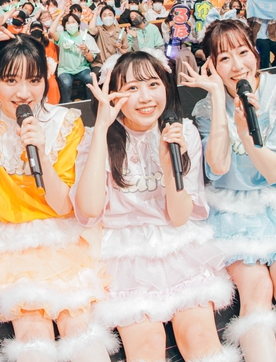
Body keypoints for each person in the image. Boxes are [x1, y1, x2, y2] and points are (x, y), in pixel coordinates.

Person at [0, 14, 116, 362]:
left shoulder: (65, 123)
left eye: (34, 80)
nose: (24, 92)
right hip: (7, 248)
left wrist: (40, 152)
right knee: (33, 336)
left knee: (81, 332)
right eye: (10, 80)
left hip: (62, 241)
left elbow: (63, 206)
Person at [75, 52, 238, 362]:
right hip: (123, 255)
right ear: (114, 94)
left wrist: (169, 167)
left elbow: (179, 217)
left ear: (166, 86)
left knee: (200, 338)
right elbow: (90, 209)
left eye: (153, 84)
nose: (146, 97)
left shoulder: (182, 132)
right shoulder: (97, 138)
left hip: (178, 246)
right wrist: (101, 129)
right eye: (132, 88)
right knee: (146, 347)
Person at [180, 19, 276, 362]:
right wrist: (218, 100)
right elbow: (217, 169)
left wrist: (246, 134)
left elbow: (275, 172)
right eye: (224, 58)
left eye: (243, 52)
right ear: (212, 65)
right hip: (231, 210)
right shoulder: (205, 109)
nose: (237, 65)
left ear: (256, 54)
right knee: (255, 288)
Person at [50, 12, 98, 104]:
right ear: (65, 26)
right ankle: (66, 104)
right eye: (68, 23)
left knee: (90, 78)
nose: (71, 24)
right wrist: (60, 14)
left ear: (78, 24)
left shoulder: (86, 37)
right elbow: (51, 31)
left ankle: (91, 103)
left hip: (82, 68)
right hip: (65, 70)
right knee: (66, 83)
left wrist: (86, 50)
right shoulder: (62, 36)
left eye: (73, 22)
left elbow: (91, 59)